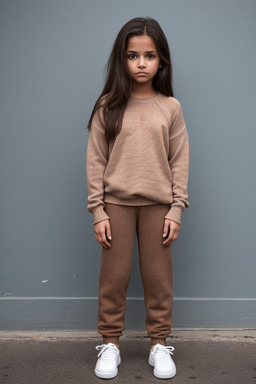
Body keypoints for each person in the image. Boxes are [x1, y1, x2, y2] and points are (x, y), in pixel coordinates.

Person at [86, 17, 189, 380]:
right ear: (122, 59)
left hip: (158, 207)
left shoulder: (170, 108)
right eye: (133, 55)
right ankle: (110, 343)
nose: (141, 63)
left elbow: (180, 161)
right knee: (113, 278)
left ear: (162, 61)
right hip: (115, 206)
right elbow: (96, 160)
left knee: (158, 278)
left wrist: (176, 209)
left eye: (150, 55)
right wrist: (98, 211)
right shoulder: (107, 107)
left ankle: (158, 344)